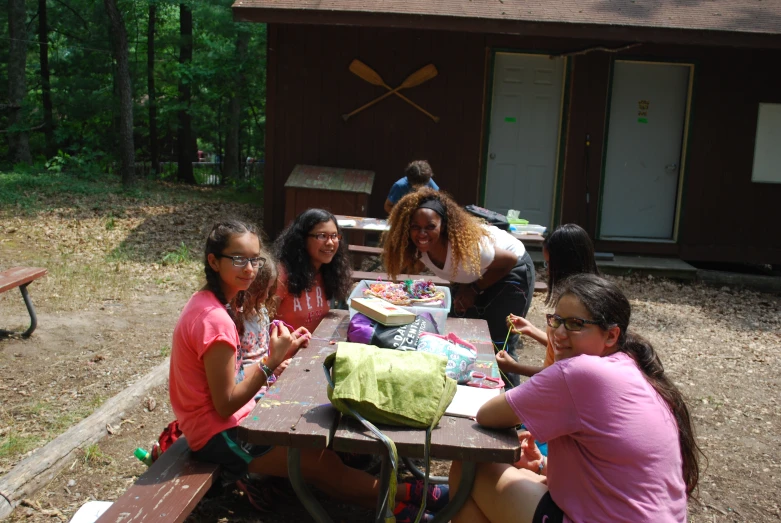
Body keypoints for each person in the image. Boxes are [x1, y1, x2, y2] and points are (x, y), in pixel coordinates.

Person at [170, 220, 447, 520]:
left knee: (321, 452)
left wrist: (277, 358)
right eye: (238, 259)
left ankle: (408, 493)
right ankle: (406, 504)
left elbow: (232, 380)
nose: (249, 268)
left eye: (254, 259)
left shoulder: (213, 303)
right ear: (213, 261)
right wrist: (270, 362)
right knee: (316, 466)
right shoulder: (216, 320)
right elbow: (225, 404)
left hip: (235, 419)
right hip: (217, 434)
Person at [448, 274, 701, 523]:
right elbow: (619, 471)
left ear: (611, 335)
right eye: (556, 320)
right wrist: (542, 465)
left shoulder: (580, 372)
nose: (558, 333)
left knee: (469, 468)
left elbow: (488, 415)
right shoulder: (635, 368)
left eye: (575, 324)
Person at [382, 187, 535, 387]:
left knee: (498, 344)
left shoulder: (470, 248)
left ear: (443, 226)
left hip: (511, 270)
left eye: (430, 226)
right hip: (480, 273)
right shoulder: (418, 249)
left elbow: (508, 261)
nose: (421, 233)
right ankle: (472, 392)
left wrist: (473, 290)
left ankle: (510, 406)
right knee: (464, 337)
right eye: (414, 227)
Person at [498, 224, 599, 378]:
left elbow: (561, 374)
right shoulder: (585, 294)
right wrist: (531, 330)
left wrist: (514, 367)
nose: (547, 270)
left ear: (564, 265)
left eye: (549, 263)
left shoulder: (578, 304)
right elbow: (562, 345)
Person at [232, 250, 310, 398]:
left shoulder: (261, 312)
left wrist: (287, 347)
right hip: (247, 393)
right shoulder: (235, 319)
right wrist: (272, 367)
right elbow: (237, 375)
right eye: (262, 291)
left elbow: (263, 353)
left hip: (265, 381)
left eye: (270, 289)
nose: (267, 296)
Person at [273, 209, 353, 333]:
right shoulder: (281, 275)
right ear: (302, 239)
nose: (330, 243)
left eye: (334, 236)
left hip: (315, 349)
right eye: (321, 236)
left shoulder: (329, 272)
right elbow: (260, 324)